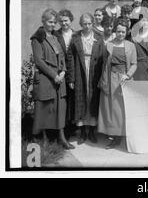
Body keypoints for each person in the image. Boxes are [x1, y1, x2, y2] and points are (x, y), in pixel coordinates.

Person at [30, 8, 74, 149]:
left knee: (60, 108)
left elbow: (61, 56)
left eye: (54, 22)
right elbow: (39, 61)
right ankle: (44, 138)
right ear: (43, 21)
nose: (52, 24)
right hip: (45, 78)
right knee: (44, 109)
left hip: (58, 79)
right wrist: (54, 75)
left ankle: (61, 137)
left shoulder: (55, 37)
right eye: (50, 22)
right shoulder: (37, 38)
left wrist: (63, 72)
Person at [98, 18, 137, 149]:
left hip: (125, 80)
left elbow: (134, 64)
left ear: (127, 32)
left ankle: (125, 135)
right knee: (113, 109)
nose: (120, 34)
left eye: (123, 32)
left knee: (123, 108)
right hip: (110, 78)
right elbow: (104, 63)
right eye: (118, 31)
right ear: (115, 31)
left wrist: (128, 75)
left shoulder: (131, 46)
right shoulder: (108, 45)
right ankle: (114, 136)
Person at [68, 13, 104, 144]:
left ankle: (92, 131)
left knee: (92, 98)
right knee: (81, 97)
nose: (87, 26)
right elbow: (70, 57)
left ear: (93, 23)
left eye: (89, 23)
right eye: (84, 24)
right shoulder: (76, 37)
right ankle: (82, 132)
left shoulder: (99, 37)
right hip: (80, 68)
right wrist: (71, 78)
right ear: (80, 24)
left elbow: (103, 57)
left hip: (94, 70)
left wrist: (102, 77)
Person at [54, 9, 76, 134]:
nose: (64, 23)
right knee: (62, 98)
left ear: (71, 20)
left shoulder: (76, 34)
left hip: (73, 69)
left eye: (66, 20)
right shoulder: (55, 34)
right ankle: (63, 127)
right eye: (61, 21)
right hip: (60, 69)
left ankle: (72, 126)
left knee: (73, 97)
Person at [131, 16, 148, 81]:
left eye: (147, 21)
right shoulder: (133, 40)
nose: (145, 23)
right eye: (143, 20)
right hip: (139, 72)